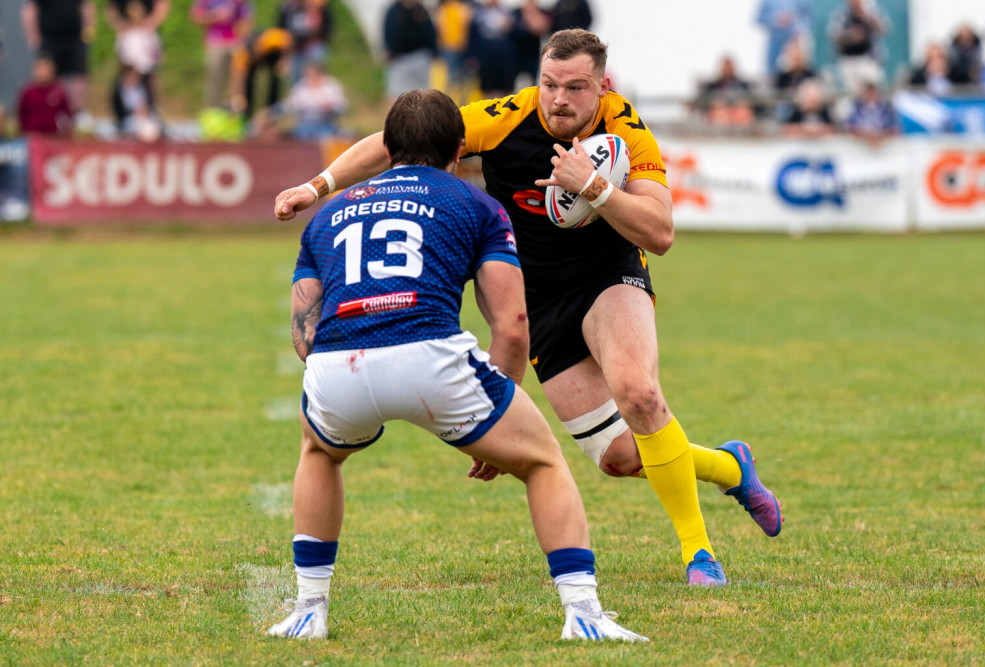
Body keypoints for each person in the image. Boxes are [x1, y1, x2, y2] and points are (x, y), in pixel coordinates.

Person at [274, 30, 785, 587]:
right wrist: (317, 185)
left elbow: (660, 232)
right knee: (619, 457)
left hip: (607, 276)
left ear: (602, 88)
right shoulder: (509, 116)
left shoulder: (627, 130)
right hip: (537, 299)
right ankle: (731, 466)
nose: (558, 98)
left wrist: (593, 186)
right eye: (548, 84)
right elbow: (398, 140)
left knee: (639, 394)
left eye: (575, 87)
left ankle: (698, 555)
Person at [265, 89, 647, 643]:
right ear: (459, 152)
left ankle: (308, 609)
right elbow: (513, 323)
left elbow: (304, 331)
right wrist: (502, 409)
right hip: (431, 358)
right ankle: (583, 612)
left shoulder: (327, 216)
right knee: (542, 462)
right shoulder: (477, 205)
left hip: (338, 364)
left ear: (389, 146)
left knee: (319, 452)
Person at [20, 0, 96, 115]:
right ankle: (51, 113)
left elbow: (86, 6)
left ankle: (78, 114)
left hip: (74, 38)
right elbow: (30, 9)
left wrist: (88, 31)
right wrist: (33, 36)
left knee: (78, 77)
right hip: (49, 38)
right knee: (48, 77)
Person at [189, 0, 254, 109]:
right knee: (214, 79)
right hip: (215, 43)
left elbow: (247, 19)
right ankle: (212, 110)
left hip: (235, 43)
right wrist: (215, 16)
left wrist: (243, 38)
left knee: (238, 80)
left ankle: (235, 111)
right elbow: (195, 17)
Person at [827, 0, 889, 96]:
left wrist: (867, 18)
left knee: (874, 88)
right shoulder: (842, 15)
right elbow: (834, 35)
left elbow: (884, 28)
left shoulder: (872, 12)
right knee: (852, 94)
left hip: (868, 59)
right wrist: (851, 36)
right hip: (848, 60)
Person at [280, 57, 347, 140]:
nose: (310, 75)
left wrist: (331, 106)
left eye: (313, 73)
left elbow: (342, 106)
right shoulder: (301, 86)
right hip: (304, 126)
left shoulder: (331, 86)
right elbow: (289, 105)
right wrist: (298, 106)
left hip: (326, 125)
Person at [382, 0, 437, 101]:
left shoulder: (421, 10)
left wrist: (433, 51)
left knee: (423, 93)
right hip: (400, 58)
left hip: (420, 56)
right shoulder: (394, 11)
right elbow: (388, 32)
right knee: (396, 93)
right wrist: (390, 51)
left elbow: (430, 32)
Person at [17, 51, 74, 135]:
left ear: (52, 69)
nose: (42, 72)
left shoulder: (59, 91)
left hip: (54, 136)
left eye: (45, 68)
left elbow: (66, 114)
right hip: (34, 136)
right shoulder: (28, 92)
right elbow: (22, 115)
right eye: (39, 68)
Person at [277, 0, 334, 84]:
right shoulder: (288, 7)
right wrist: (284, 55)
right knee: (297, 79)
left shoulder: (318, 6)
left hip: (313, 46)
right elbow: (282, 30)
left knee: (316, 68)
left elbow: (326, 26)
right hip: (294, 48)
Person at [755, 0, 811, 78]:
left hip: (793, 39)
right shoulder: (767, 1)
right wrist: (775, 20)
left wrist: (799, 28)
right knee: (771, 72)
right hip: (775, 39)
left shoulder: (801, 1)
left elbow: (809, 17)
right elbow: (758, 19)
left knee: (798, 71)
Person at [842, 79, 897, 145]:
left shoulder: (887, 109)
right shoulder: (854, 109)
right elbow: (849, 128)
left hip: (882, 144)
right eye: (868, 93)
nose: (870, 96)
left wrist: (879, 135)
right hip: (860, 145)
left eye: (872, 93)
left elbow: (894, 129)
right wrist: (867, 135)